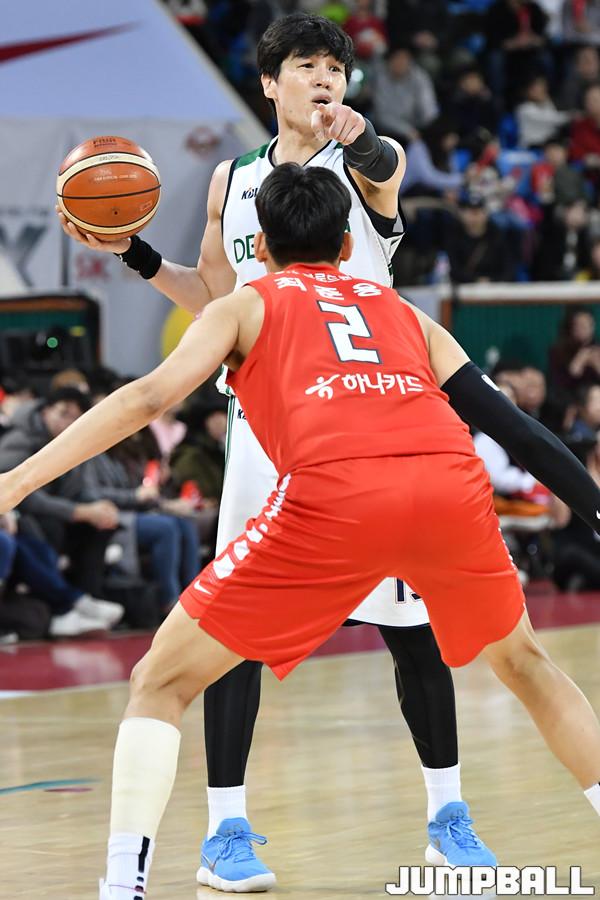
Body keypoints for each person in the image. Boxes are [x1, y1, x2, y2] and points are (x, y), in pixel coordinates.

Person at [13, 163, 600, 900]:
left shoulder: (244, 304)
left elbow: (147, 399)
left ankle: (122, 886)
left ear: (259, 245)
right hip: (448, 485)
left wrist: (14, 482)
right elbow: (517, 429)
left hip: (335, 496)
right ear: (346, 247)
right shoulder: (406, 314)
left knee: (160, 681)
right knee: (528, 666)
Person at [57, 12, 495, 890]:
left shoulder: (369, 161)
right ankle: (227, 830)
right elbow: (215, 296)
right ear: (269, 83)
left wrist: (359, 135)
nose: (325, 79)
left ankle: (449, 815)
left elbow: (382, 162)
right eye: (306, 66)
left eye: (336, 67)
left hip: (366, 426)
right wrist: (133, 251)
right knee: (232, 633)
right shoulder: (232, 179)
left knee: (411, 631)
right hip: (264, 427)